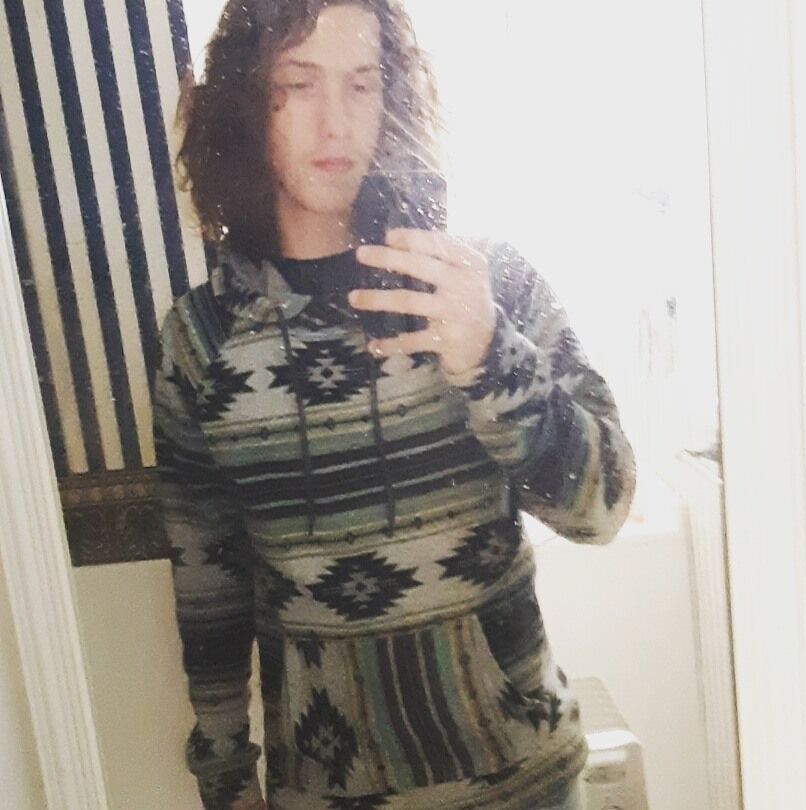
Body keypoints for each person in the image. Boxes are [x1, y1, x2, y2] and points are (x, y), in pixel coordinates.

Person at [152, 1, 637, 808]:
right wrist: (225, 781)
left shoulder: (487, 284)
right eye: (297, 84)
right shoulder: (199, 342)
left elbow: (605, 507)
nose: (335, 122)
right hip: (327, 791)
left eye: (362, 84)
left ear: (394, 97)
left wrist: (489, 357)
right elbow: (208, 589)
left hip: (524, 782)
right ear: (245, 103)